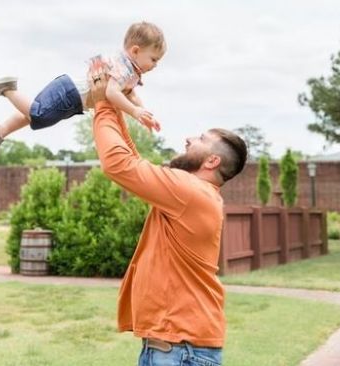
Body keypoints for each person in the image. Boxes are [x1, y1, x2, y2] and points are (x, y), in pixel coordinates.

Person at [88, 71, 248, 366]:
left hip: (178, 349)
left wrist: (101, 102)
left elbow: (118, 164)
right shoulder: (191, 194)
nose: (188, 139)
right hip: (177, 347)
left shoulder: (190, 192)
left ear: (212, 161)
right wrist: (116, 102)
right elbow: (133, 163)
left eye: (200, 139)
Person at [0, 21, 166, 161]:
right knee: (39, 115)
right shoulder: (124, 67)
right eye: (154, 59)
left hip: (70, 95)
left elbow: (130, 93)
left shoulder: (131, 71)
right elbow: (111, 93)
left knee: (32, 113)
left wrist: (144, 113)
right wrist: (135, 111)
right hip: (70, 94)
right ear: (135, 51)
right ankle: (9, 89)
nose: (156, 65)